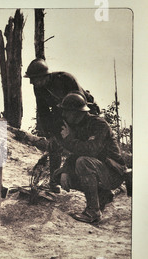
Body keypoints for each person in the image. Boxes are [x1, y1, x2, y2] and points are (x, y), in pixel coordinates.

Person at [24, 58, 99, 193]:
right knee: (54, 145)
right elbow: (43, 111)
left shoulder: (65, 79)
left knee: (87, 146)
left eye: (34, 79)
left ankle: (99, 182)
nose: (31, 82)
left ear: (44, 76)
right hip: (63, 115)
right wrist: (50, 134)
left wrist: (73, 128)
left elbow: (80, 104)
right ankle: (54, 181)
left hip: (83, 112)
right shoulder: (38, 88)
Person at [54, 92, 126, 223]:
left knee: (83, 162)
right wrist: (65, 170)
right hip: (101, 169)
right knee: (59, 176)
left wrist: (69, 139)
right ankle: (103, 194)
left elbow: (91, 150)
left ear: (77, 113)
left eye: (67, 112)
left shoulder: (99, 124)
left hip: (114, 172)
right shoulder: (79, 126)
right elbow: (76, 153)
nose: (64, 115)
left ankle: (93, 212)